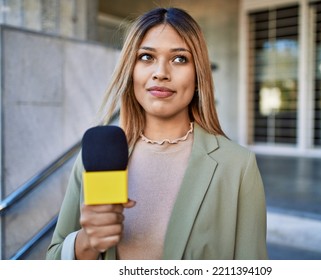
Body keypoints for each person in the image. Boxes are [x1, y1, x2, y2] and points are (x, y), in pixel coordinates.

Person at [46, 7, 268, 260]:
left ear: (198, 75)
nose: (161, 72)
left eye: (179, 59)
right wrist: (86, 242)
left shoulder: (238, 166)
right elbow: (54, 258)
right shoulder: (98, 156)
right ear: (130, 70)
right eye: (146, 57)